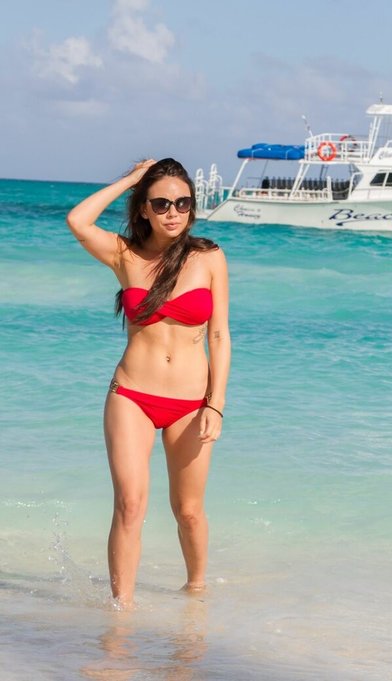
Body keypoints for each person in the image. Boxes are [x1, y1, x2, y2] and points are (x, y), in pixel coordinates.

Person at [66, 158, 231, 608]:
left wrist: (216, 404)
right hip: (131, 396)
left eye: (183, 203)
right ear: (144, 208)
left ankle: (196, 595)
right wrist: (131, 179)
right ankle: (121, 613)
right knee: (130, 504)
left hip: (191, 404)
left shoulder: (209, 258)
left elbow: (219, 335)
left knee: (189, 511)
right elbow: (78, 220)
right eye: (161, 204)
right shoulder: (124, 255)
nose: (173, 212)